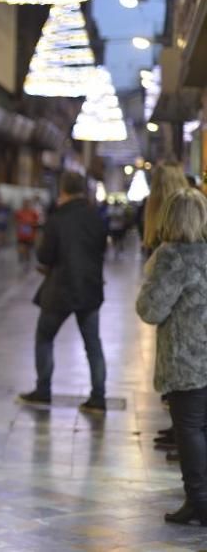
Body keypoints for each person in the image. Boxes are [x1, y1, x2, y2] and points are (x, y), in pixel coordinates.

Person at [136, 188, 207, 526]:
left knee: (189, 430)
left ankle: (199, 501)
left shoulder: (172, 257)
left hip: (187, 361)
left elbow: (150, 309)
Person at [17, 172, 108, 412]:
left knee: (45, 338)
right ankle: (98, 397)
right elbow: (101, 250)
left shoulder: (57, 219)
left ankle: (43, 389)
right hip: (89, 289)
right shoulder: (96, 218)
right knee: (93, 344)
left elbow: (45, 255)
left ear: (63, 191)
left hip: (60, 289)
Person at [14, 198, 40, 266]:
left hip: (30, 236)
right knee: (22, 248)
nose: (25, 205)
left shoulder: (33, 213)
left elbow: (37, 223)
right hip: (21, 236)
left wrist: (32, 225)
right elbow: (15, 221)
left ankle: (27, 263)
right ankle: (22, 259)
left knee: (28, 250)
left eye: (27, 203)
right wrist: (19, 225)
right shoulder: (19, 212)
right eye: (24, 203)